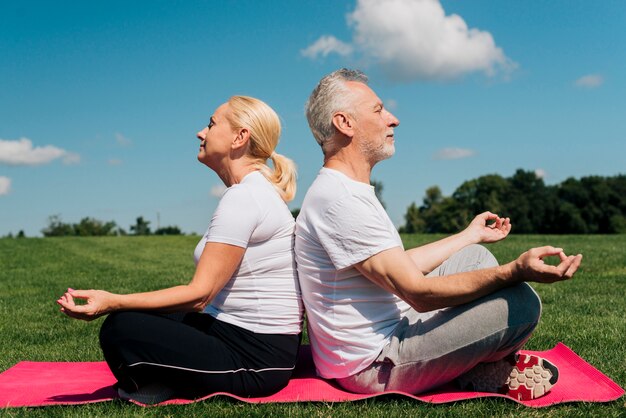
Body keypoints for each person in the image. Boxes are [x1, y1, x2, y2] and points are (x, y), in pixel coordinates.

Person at [295, 68, 583, 401]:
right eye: (378, 110)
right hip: (374, 366)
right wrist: (514, 271)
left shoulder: (345, 190)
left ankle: (474, 364)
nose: (394, 119)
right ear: (345, 124)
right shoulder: (340, 200)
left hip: (388, 334)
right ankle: (479, 367)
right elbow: (418, 293)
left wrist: (468, 235)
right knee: (521, 303)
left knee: (473, 258)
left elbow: (400, 264)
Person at [57, 96, 303, 404]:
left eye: (212, 124)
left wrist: (113, 301)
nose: (201, 132)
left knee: (120, 328)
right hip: (244, 337)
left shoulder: (245, 198)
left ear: (240, 137)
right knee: (143, 316)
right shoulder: (252, 193)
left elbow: (200, 295)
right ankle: (168, 378)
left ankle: (163, 382)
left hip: (257, 358)